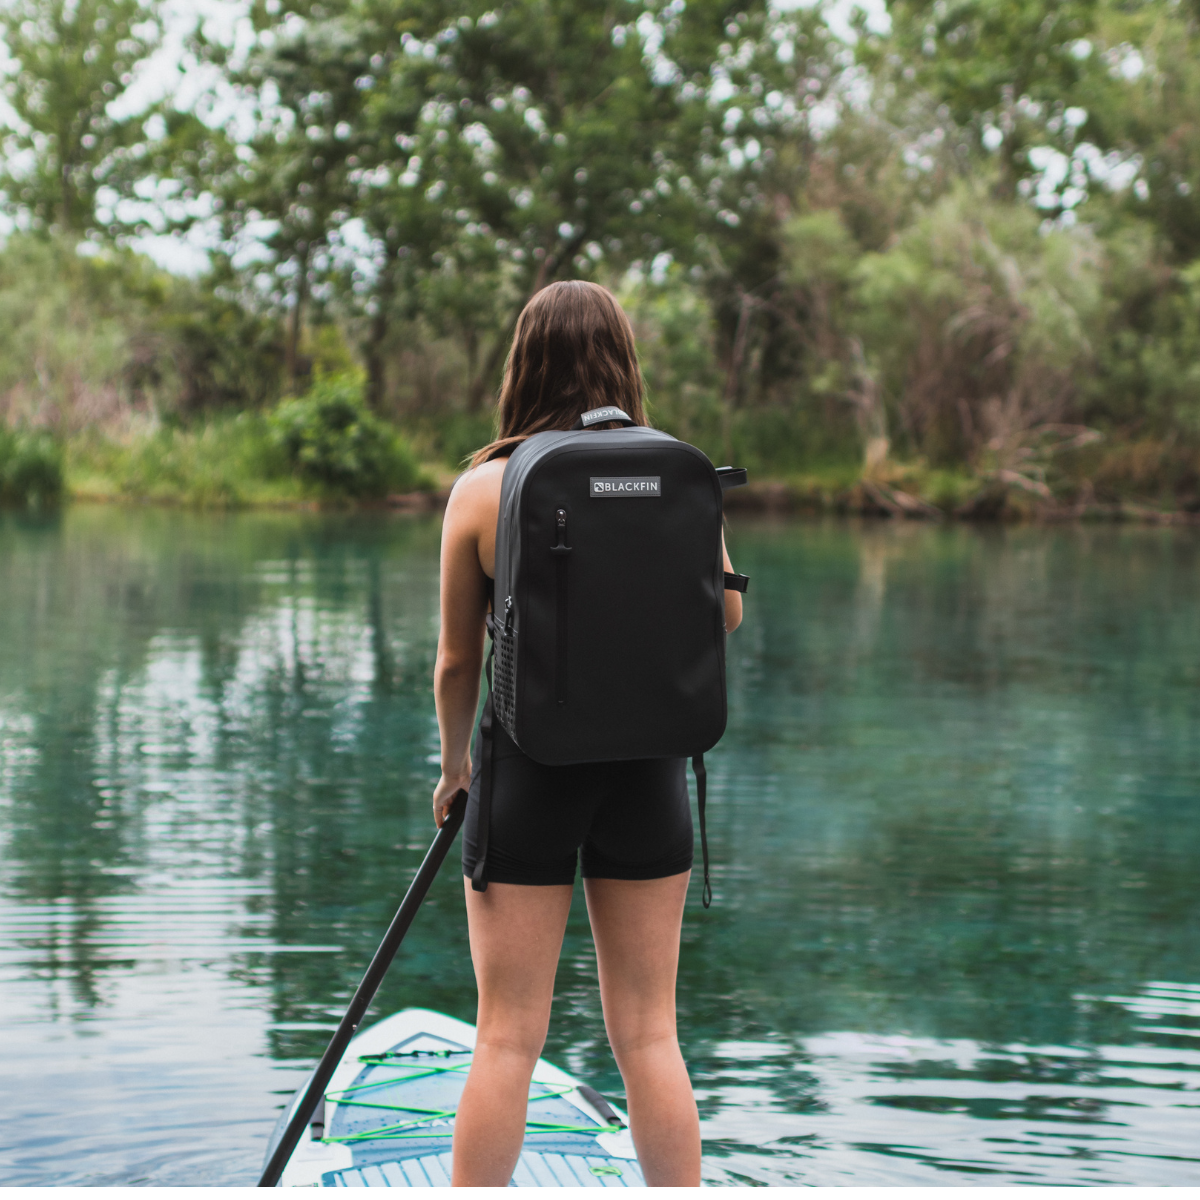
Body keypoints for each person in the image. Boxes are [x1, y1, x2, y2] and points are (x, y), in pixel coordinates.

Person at [431, 280, 743, 1187]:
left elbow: (458, 662)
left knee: (506, 1038)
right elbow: (723, 617)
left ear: (522, 365)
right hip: (649, 774)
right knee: (651, 1035)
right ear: (623, 360)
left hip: (528, 771)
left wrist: (455, 770)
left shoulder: (485, 487)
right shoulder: (674, 472)